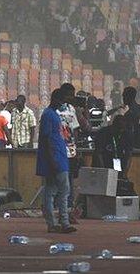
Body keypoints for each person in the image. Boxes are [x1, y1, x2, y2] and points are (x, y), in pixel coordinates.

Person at [36, 89, 76, 234]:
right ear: (56, 100)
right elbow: (47, 139)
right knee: (63, 191)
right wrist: (53, 159)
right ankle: (62, 222)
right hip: (56, 158)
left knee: (51, 190)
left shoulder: (52, 115)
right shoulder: (49, 115)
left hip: (58, 156)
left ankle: (53, 223)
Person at [57, 83, 81, 223]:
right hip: (58, 149)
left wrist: (75, 148)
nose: (72, 97)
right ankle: (59, 211)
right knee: (59, 182)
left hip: (70, 149)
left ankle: (68, 211)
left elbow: (75, 129)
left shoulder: (71, 109)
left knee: (70, 182)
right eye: (70, 95)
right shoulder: (54, 110)